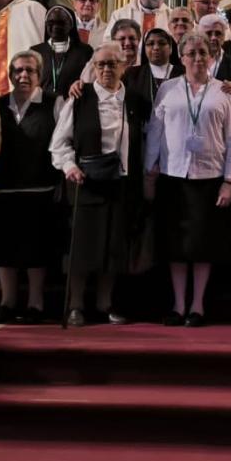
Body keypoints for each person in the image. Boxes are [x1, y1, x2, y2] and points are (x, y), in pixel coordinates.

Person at [146, 32, 231, 326]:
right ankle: (178, 304)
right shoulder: (168, 88)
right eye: (192, 53)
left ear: (211, 57)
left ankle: (197, 304)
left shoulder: (223, 91)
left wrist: (229, 181)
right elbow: (155, 131)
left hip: (210, 178)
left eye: (203, 53)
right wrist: (149, 172)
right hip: (172, 176)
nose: (198, 58)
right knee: (175, 244)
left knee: (203, 245)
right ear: (182, 57)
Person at [51, 43, 151, 325]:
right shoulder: (80, 97)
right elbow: (59, 142)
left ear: (124, 67)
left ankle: (105, 303)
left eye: (112, 64)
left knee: (113, 247)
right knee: (82, 248)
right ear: (93, 68)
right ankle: (76, 305)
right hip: (85, 182)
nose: (107, 69)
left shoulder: (135, 100)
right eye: (101, 64)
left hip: (121, 183)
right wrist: (70, 167)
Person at [0, 50, 63, 322]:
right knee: (5, 248)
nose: (23, 75)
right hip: (5, 188)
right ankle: (7, 301)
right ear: (10, 75)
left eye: (30, 70)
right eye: (18, 70)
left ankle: (35, 303)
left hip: (41, 188)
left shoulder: (54, 103)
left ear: (39, 75)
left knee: (37, 249)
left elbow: (63, 141)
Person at [30, 5, 92, 100]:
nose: (56, 26)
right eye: (51, 23)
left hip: (74, 105)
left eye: (61, 23)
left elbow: (90, 82)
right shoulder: (35, 52)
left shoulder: (85, 51)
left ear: (71, 24)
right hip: (43, 106)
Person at [126, 27, 183, 103]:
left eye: (162, 43)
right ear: (144, 49)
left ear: (170, 48)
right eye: (150, 44)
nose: (156, 48)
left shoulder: (184, 74)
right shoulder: (132, 74)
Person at [198, 14, 231, 88]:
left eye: (218, 34)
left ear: (223, 37)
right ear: (199, 36)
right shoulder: (189, 62)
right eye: (208, 33)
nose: (213, 37)